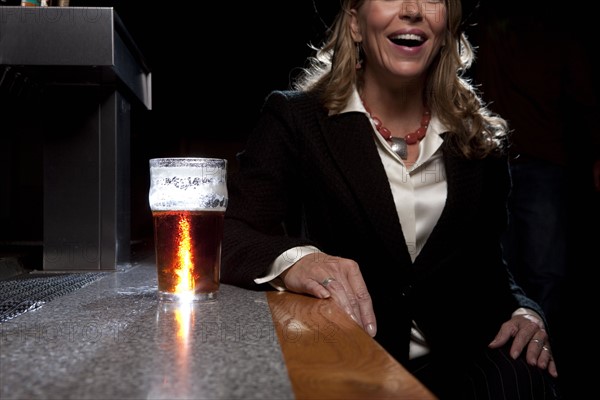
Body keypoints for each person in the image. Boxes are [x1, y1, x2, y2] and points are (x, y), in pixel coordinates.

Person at [221, 1, 560, 398]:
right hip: (347, 361)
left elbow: (489, 265)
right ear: (355, 24)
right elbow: (228, 232)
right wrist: (298, 260)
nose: (413, 10)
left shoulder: (479, 139)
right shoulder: (296, 120)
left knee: (528, 379)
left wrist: (525, 310)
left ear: (447, 26)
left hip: (465, 360)